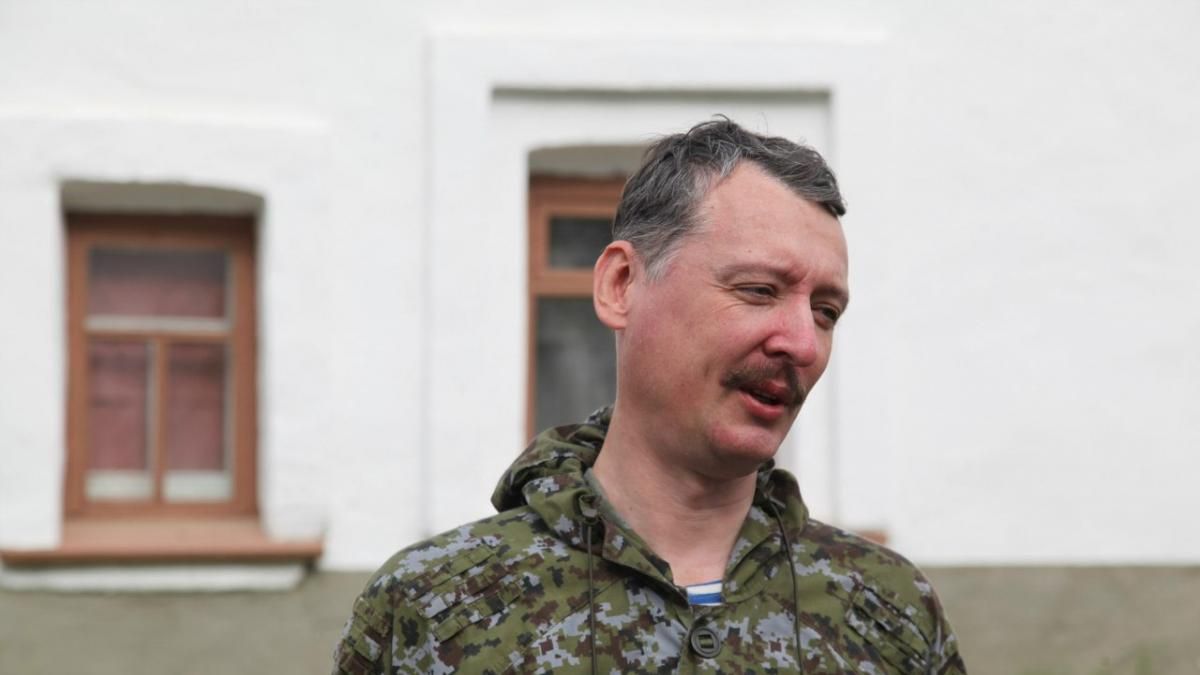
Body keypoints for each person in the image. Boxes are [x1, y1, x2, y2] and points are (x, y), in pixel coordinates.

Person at [333, 119, 966, 674]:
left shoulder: (888, 615)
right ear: (621, 285)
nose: (803, 343)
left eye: (826, 312)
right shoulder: (436, 611)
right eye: (758, 291)